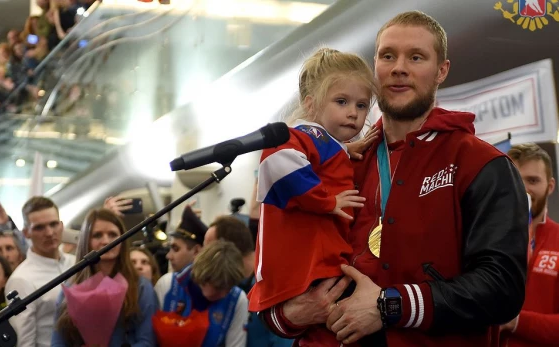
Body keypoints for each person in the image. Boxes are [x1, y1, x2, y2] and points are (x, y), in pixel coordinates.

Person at [259, 10, 528, 347]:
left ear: (441, 70)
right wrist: (288, 315)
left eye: (416, 57)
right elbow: (279, 262)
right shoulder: (335, 162)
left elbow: (502, 289)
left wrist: (391, 305)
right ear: (376, 68)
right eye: (388, 56)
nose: (399, 67)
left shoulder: (481, 163)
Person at [248, 47, 375, 313]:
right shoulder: (303, 136)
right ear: (310, 104)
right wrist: (326, 201)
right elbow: (278, 160)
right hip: (307, 267)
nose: (353, 113)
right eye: (342, 101)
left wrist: (342, 150)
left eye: (361, 105)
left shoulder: (323, 143)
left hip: (320, 265)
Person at [52, 209, 158, 346]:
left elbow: (147, 341)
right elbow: (58, 342)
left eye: (112, 234)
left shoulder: (141, 287)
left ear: (122, 239)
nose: (106, 241)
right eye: (97, 235)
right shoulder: (71, 287)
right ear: (86, 241)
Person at [500, 143, 559, 346]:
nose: (524, 188)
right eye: (516, 179)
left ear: (550, 186)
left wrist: (516, 322)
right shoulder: (485, 238)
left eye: (532, 180)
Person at [204, 216, 293, 347]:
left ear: (227, 250)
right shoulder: (227, 289)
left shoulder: (275, 286)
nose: (203, 258)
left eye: (209, 250)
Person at [5, 197, 75, 347]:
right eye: (39, 227)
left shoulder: (76, 263)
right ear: (26, 233)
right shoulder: (21, 279)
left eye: (53, 224)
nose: (49, 232)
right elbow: (25, 342)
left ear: (61, 226)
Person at [154, 240, 248, 346]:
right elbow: (150, 337)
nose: (224, 294)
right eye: (219, 287)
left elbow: (236, 344)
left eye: (230, 288)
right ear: (204, 277)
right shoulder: (167, 285)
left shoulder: (238, 299)